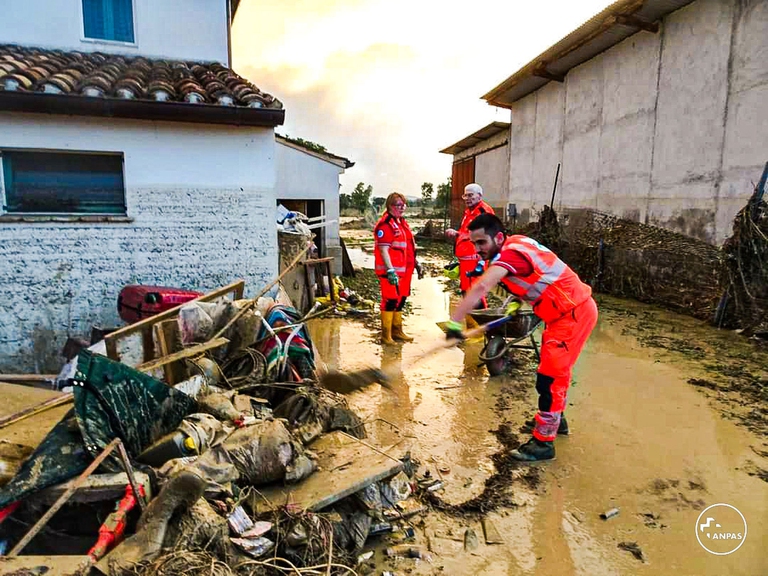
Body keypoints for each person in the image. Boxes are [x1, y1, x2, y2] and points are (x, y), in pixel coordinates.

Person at [443, 213, 598, 462]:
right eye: (474, 243)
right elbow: (532, 279)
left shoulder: (510, 254)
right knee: (555, 375)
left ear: (499, 237)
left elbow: (481, 287)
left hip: (572, 314)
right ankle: (556, 421)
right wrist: (516, 302)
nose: (478, 249)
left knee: (548, 379)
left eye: (482, 242)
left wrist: (454, 322)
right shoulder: (514, 246)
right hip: (561, 315)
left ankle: (543, 443)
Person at [374, 192, 423, 344]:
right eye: (397, 205)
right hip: (391, 272)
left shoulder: (401, 223)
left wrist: (416, 263)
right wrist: (390, 270)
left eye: (403, 205)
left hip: (404, 271)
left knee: (401, 300)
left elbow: (408, 247)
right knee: (390, 301)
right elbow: (383, 250)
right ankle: (386, 335)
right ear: (389, 206)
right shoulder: (386, 224)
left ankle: (397, 331)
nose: (401, 208)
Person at [445, 183, 495, 324]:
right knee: (466, 294)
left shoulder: (484, 212)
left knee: (475, 295)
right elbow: (468, 234)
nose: (467, 198)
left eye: (470, 195)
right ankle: (472, 328)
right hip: (465, 261)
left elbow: (486, 238)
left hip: (475, 261)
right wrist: (457, 234)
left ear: (479, 196)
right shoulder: (468, 212)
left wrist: (480, 262)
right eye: (465, 195)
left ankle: (479, 331)